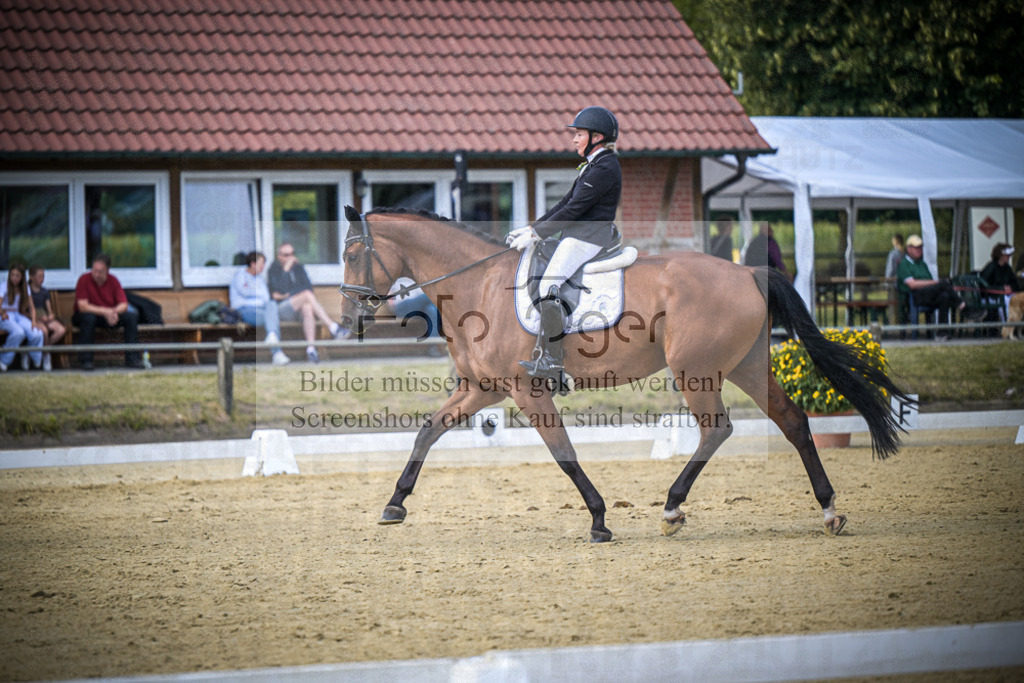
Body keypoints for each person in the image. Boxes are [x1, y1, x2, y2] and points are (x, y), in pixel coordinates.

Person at [504, 106, 622, 387]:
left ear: (597, 136)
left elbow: (573, 210)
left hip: (589, 238)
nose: (574, 139)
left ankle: (553, 361)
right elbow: (564, 205)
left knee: (548, 287)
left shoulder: (605, 166)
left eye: (579, 134)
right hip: (577, 235)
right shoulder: (594, 164)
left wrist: (537, 234)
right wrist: (533, 229)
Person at [267, 242, 348, 363]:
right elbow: (278, 291)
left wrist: (291, 294)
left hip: (297, 307)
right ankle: (333, 327)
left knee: (307, 307)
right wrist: (285, 270)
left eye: (292, 254)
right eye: (286, 254)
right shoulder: (274, 269)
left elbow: (308, 287)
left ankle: (311, 349)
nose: (290, 257)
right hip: (281, 310)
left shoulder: (299, 268)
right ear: (279, 256)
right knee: (306, 296)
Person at [72, 253, 142, 370]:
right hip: (85, 315)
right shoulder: (84, 279)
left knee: (131, 317)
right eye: (94, 270)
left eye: (100, 271)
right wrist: (105, 311)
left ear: (107, 271)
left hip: (107, 315)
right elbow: (83, 306)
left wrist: (113, 312)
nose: (96, 274)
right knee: (89, 318)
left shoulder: (113, 281)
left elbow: (123, 304)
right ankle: (86, 361)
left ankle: (133, 359)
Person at [896, 234, 966, 339]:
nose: (919, 250)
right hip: (915, 297)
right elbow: (912, 284)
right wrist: (932, 283)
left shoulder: (922, 263)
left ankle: (942, 332)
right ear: (909, 249)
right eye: (916, 247)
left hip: (927, 294)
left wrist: (932, 283)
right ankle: (963, 306)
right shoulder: (904, 264)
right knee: (944, 284)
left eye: (920, 247)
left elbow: (929, 281)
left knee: (944, 296)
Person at [230, 251, 290, 366]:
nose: (263, 267)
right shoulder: (240, 275)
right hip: (243, 310)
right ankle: (277, 353)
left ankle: (272, 336)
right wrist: (258, 298)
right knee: (272, 318)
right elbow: (245, 291)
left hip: (260, 310)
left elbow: (266, 298)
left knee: (272, 305)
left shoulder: (260, 279)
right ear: (253, 263)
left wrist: (256, 297)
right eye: (261, 263)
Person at [0, 263, 45, 372]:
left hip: (18, 315)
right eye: (12, 275)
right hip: (5, 314)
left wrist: (34, 322)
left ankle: (33, 356)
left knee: (37, 333)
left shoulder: (25, 287)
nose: (14, 278)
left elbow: (32, 308)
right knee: (19, 333)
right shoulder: (4, 286)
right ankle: (4, 360)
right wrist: (2, 313)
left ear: (22, 277)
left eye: (17, 276)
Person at [28, 266, 65, 372]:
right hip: (33, 317)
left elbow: (49, 310)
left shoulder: (44, 291)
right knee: (44, 332)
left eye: (43, 276)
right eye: (39, 276)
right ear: (32, 277)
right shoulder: (27, 291)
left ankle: (45, 350)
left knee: (61, 330)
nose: (42, 279)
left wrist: (50, 316)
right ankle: (46, 356)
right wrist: (37, 318)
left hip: (44, 317)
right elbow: (24, 310)